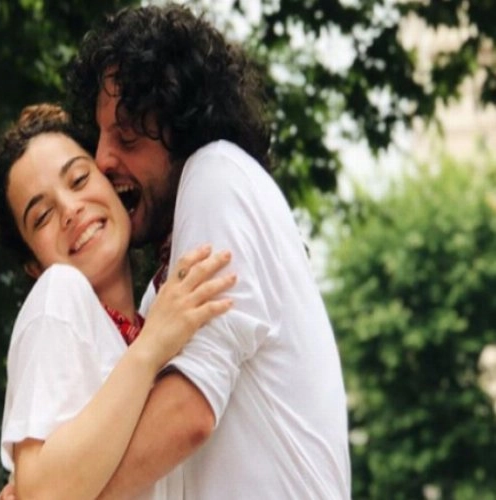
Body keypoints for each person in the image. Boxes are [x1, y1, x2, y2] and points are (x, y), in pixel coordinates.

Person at [62, 4, 352, 499]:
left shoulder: (216, 174)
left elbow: (188, 412)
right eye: (101, 135)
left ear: (183, 128)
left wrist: (54, 491)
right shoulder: (161, 298)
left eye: (126, 136)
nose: (103, 159)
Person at [0, 103, 236, 499]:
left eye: (78, 179)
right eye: (42, 216)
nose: (70, 210)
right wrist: (150, 348)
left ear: (110, 182)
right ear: (34, 266)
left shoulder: (150, 316)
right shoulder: (60, 292)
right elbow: (41, 494)